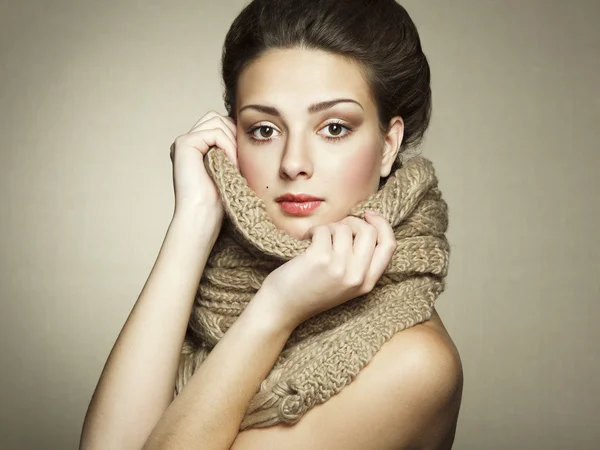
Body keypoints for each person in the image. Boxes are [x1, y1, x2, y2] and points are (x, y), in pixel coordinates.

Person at [79, 0, 463, 448]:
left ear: (387, 145)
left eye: (334, 128)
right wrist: (195, 219)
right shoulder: (215, 295)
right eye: (264, 130)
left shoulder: (413, 363)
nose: (293, 163)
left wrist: (275, 308)